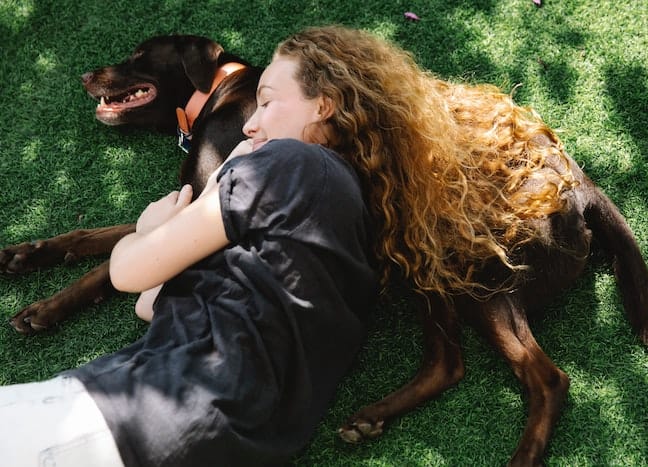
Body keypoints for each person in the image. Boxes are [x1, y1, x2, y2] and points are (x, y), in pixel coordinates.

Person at [1, 25, 574, 466]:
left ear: (325, 105)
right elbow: (151, 307)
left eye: (268, 102)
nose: (252, 123)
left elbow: (130, 278)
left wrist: (153, 232)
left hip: (138, 408)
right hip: (221, 441)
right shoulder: (357, 252)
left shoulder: (288, 161)